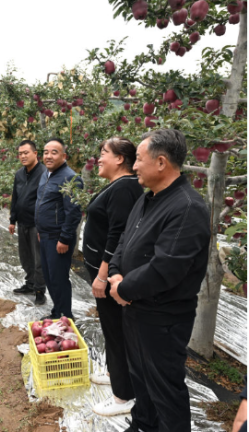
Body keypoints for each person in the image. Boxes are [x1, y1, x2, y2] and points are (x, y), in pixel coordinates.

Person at [108, 129, 210, 432]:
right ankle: (142, 425)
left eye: (139, 159)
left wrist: (122, 288)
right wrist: (115, 272)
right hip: (136, 310)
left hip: (163, 319)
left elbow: (166, 267)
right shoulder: (147, 199)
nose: (134, 165)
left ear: (161, 162)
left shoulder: (187, 207)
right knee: (141, 378)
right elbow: (125, 241)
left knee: (165, 389)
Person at [82, 138, 143, 416]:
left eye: (103, 152)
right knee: (112, 328)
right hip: (104, 270)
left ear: (120, 159)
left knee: (117, 332)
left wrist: (102, 275)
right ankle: (117, 375)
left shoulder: (124, 188)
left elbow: (117, 235)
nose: (98, 158)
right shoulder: (120, 186)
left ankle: (123, 396)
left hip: (107, 274)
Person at [35, 138, 83, 320]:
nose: (48, 156)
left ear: (64, 156)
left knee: (58, 279)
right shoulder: (45, 175)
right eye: (46, 152)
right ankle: (57, 312)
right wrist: (40, 229)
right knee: (49, 277)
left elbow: (73, 212)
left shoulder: (70, 178)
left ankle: (65, 316)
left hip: (58, 238)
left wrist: (64, 238)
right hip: (45, 235)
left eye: (54, 152)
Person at [9, 140, 47, 305]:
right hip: (22, 222)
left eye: (26, 153)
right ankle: (30, 284)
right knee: (25, 257)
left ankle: (40, 290)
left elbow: (46, 201)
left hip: (37, 225)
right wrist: (12, 219)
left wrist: (43, 226)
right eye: (20, 154)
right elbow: (15, 197)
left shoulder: (44, 173)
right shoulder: (19, 174)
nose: (23, 156)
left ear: (35, 153)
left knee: (38, 260)